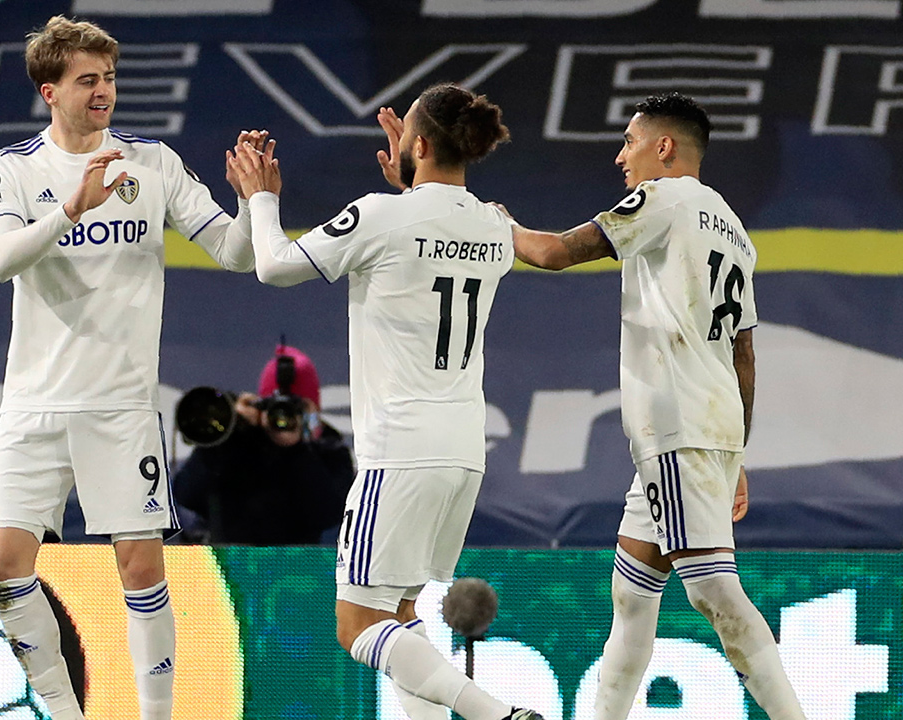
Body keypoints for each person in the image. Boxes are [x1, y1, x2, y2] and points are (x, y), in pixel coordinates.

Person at [0, 16, 263, 720]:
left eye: (108, 78)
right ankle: (63, 712)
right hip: (34, 403)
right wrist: (73, 208)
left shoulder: (152, 162)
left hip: (119, 403)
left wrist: (255, 202)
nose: (103, 91)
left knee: (140, 566)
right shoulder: (8, 169)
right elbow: (1, 260)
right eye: (87, 80)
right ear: (50, 91)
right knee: (4, 564)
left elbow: (236, 254)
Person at [229, 84, 544, 720]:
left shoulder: (379, 215)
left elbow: (274, 265)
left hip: (400, 449)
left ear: (418, 145)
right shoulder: (493, 223)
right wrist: (412, 182)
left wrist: (261, 197)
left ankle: (499, 716)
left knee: (357, 626)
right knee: (398, 614)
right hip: (463, 452)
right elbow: (434, 234)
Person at [506, 92, 806, 720]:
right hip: (706, 427)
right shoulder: (734, 229)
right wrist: (736, 456)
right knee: (632, 594)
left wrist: (493, 224)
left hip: (676, 423)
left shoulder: (662, 199)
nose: (622, 157)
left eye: (630, 142)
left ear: (664, 146)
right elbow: (744, 354)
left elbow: (554, 252)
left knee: (715, 592)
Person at [174, 345, 355, 544]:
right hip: (230, 561)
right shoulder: (239, 443)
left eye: (297, 408)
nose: (283, 416)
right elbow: (185, 495)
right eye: (275, 406)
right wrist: (228, 435)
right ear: (261, 406)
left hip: (299, 562)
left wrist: (298, 450)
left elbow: (330, 515)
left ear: (315, 411)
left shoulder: (330, 450)